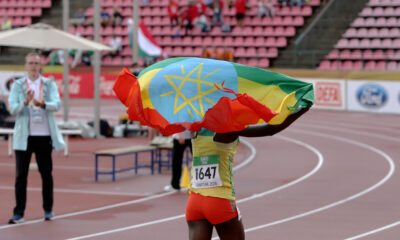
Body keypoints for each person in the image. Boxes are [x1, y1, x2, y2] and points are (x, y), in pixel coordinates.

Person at [186, 107, 310, 239]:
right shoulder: (228, 129)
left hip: (195, 202)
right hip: (220, 200)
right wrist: (302, 110)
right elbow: (270, 129)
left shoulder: (195, 131)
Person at [7, 52, 65, 224]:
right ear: (25, 65)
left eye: (36, 63)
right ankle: (19, 213)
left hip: (44, 135)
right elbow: (12, 109)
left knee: (46, 174)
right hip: (23, 137)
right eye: (30, 63)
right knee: (20, 176)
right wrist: (25, 102)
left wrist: (43, 104)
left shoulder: (48, 83)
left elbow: (57, 104)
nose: (33, 66)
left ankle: (48, 209)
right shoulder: (18, 85)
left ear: (40, 66)